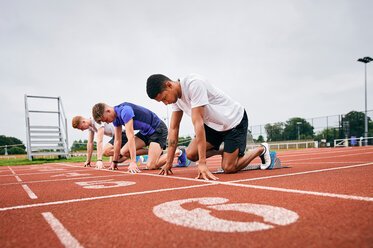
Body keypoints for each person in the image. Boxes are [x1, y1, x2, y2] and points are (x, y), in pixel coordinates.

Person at [146, 73, 275, 180]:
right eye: (162, 101)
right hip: (213, 125)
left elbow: (198, 124)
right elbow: (174, 129)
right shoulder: (175, 99)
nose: (165, 103)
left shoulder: (194, 85)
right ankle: (225, 150)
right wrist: (169, 162)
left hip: (233, 122)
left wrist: (202, 164)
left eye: (164, 98)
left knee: (229, 168)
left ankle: (261, 149)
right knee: (191, 154)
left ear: (169, 85)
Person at [91, 102, 185, 172]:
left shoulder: (125, 111)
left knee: (151, 165)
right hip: (145, 132)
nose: (107, 122)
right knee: (124, 151)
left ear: (108, 111)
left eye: (106, 119)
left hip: (157, 129)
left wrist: (133, 162)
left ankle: (178, 152)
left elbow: (130, 136)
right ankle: (155, 152)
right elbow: (117, 140)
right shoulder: (115, 119)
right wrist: (115, 161)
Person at [71, 116, 147, 169]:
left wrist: (99, 160)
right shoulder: (90, 127)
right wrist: (88, 160)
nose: (82, 130)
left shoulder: (96, 120)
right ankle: (133, 153)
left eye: (81, 128)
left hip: (122, 133)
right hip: (116, 137)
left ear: (83, 122)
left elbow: (100, 140)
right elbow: (90, 143)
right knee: (113, 161)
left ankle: (143, 151)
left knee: (105, 151)